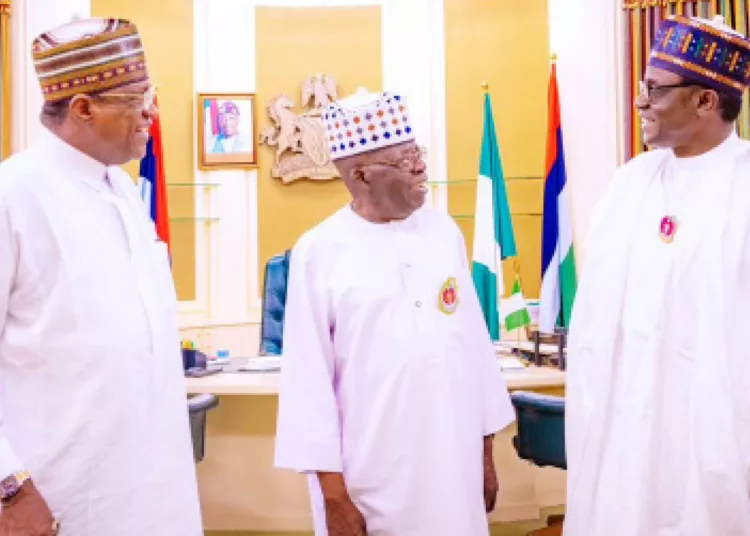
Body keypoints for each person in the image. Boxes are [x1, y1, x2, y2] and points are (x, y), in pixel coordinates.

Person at [274, 89, 515, 536]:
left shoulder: (444, 233)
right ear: (361, 176)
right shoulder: (319, 251)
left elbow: (474, 350)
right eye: (404, 161)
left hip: (454, 463)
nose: (421, 167)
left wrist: (484, 455)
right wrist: (333, 497)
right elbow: (308, 385)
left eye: (417, 153)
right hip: (370, 476)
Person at [0, 17, 202, 536]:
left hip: (156, 494)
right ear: (83, 108)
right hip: (62, 501)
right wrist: (8, 490)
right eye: (137, 97)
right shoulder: (13, 195)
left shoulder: (126, 193)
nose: (152, 112)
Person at [564, 14, 750, 536]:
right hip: (623, 426)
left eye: (654, 90)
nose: (640, 102)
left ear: (705, 100)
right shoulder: (630, 185)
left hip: (716, 427)